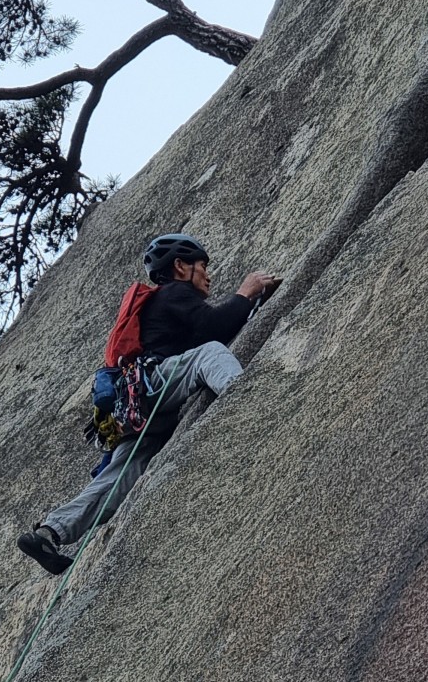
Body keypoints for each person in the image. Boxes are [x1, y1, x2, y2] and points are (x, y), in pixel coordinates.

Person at [17, 234, 280, 575]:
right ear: (180, 266)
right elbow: (211, 330)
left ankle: (49, 532)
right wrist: (246, 293)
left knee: (122, 473)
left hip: (139, 405)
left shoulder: (165, 305)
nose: (207, 274)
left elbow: (207, 329)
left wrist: (251, 307)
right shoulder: (174, 292)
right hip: (154, 382)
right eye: (202, 265)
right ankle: (247, 402)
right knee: (210, 355)